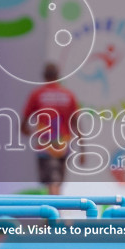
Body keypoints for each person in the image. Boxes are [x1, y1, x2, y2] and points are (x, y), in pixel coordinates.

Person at [21, 62, 80, 195]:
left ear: (44, 76)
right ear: (58, 76)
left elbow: (24, 121)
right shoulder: (68, 95)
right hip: (63, 146)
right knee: (57, 182)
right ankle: (54, 212)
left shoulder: (37, 95)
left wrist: (26, 130)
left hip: (45, 146)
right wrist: (83, 149)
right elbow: (76, 122)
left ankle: (54, 213)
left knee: (52, 181)